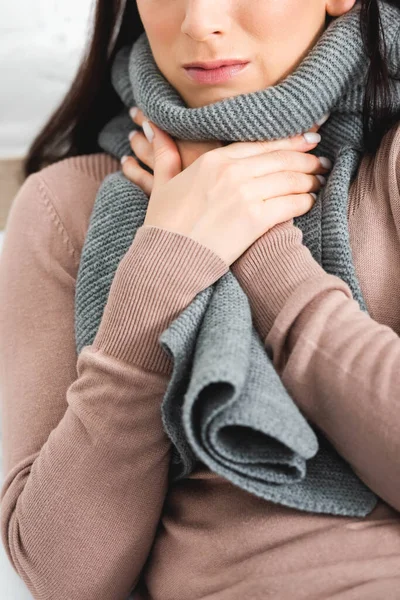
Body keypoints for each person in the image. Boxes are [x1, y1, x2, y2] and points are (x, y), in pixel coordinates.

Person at [1, 0, 400, 598]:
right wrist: (167, 261)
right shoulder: (65, 206)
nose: (199, 22)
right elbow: (65, 575)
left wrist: (260, 246)